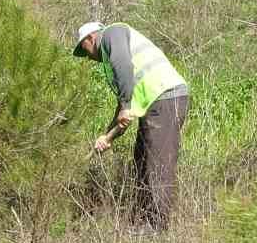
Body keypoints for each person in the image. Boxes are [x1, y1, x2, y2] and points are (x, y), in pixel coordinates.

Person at [72, 21, 189, 231]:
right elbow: (122, 110)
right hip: (156, 103)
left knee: (157, 162)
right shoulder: (111, 55)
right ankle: (143, 220)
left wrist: (126, 106)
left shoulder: (112, 34)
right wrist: (107, 137)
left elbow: (123, 66)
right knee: (142, 159)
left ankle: (155, 226)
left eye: (84, 50)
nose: (88, 57)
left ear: (90, 38)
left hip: (166, 97)